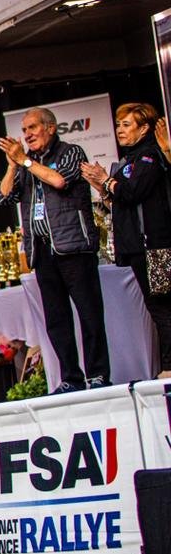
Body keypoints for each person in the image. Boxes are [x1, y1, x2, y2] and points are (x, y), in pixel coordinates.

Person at [0, 107, 108, 391]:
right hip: (43, 250)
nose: (27, 135)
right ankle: (71, 378)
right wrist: (13, 165)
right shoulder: (25, 163)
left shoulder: (71, 152)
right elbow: (3, 197)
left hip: (73, 247)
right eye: (24, 130)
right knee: (57, 320)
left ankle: (98, 375)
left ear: (50, 128)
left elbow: (59, 180)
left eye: (32, 128)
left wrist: (25, 161)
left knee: (89, 315)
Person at [82, 101, 171, 369]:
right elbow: (120, 204)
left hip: (154, 246)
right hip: (135, 246)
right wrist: (102, 186)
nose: (120, 129)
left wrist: (106, 179)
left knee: (162, 307)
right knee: (156, 308)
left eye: (126, 124)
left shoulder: (149, 157)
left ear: (143, 129)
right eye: (118, 124)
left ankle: (169, 367)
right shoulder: (128, 160)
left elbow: (133, 192)